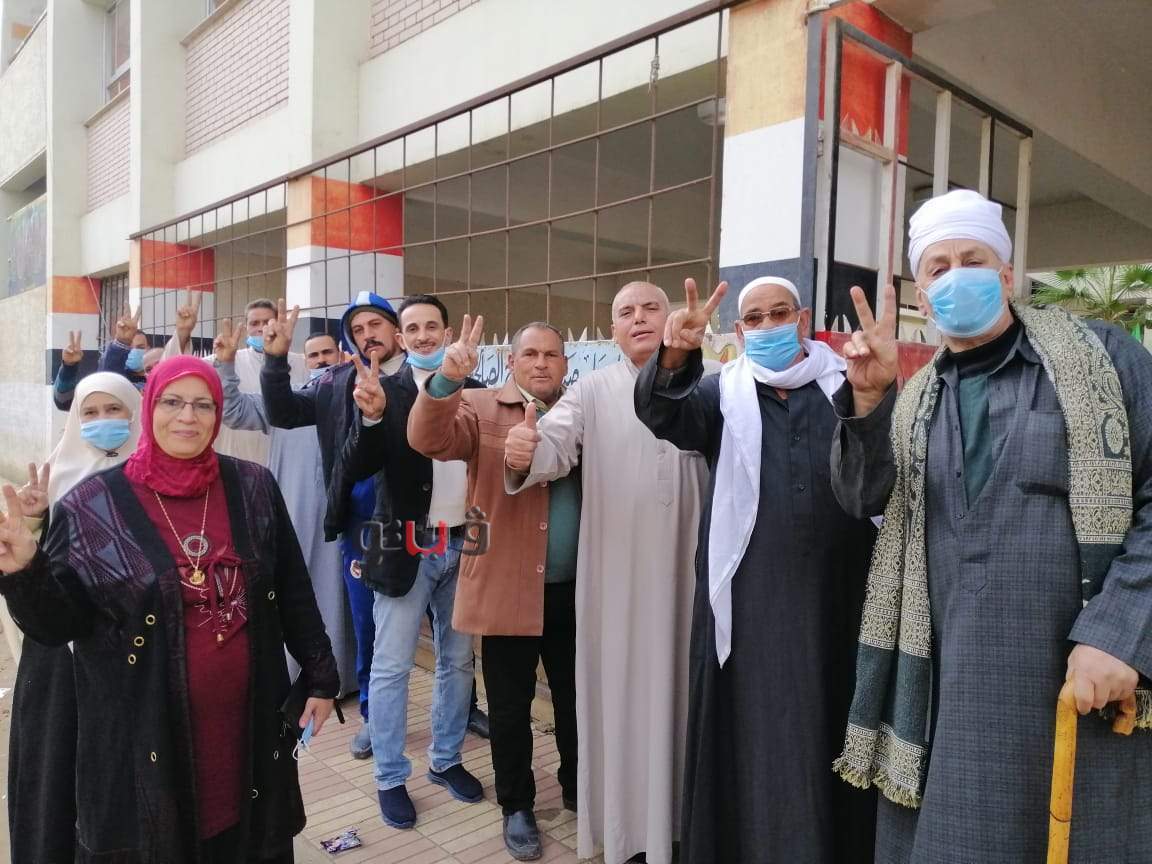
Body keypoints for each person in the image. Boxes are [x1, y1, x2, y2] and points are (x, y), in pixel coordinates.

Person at [831, 189, 1152, 862]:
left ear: (1006, 274)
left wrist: (1119, 634)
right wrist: (868, 399)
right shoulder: (915, 400)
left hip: (1077, 682)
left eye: (971, 260)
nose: (956, 277)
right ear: (923, 295)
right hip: (946, 699)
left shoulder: (1102, 359)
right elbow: (862, 497)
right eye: (938, 267)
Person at [0, 356, 339, 861]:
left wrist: (321, 677)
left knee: (244, 837)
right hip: (146, 732)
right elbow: (59, 625)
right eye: (172, 402)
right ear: (150, 408)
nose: (187, 417)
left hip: (244, 725)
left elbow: (291, 589)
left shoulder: (253, 486)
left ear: (218, 413)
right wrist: (25, 571)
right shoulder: (90, 505)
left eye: (203, 405)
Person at [633, 277, 877, 863]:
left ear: (803, 319)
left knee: (835, 724)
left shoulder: (846, 386)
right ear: (740, 332)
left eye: (779, 314)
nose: (768, 326)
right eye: (756, 319)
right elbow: (661, 413)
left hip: (839, 601)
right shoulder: (721, 393)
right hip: (749, 604)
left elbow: (879, 470)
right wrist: (675, 353)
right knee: (754, 738)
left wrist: (875, 398)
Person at [504, 281, 712, 864]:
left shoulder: (714, 381)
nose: (639, 318)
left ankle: (687, 825)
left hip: (691, 573)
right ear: (612, 329)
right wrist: (526, 451)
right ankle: (630, 833)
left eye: (650, 308)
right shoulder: (592, 389)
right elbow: (554, 446)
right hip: (616, 576)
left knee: (688, 695)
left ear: (671, 317)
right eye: (626, 312)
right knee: (622, 700)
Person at [409, 318, 579, 860]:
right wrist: (445, 381)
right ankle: (517, 805)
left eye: (551, 354)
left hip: (577, 590)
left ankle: (578, 788)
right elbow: (429, 438)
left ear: (566, 364)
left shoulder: (581, 411)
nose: (541, 363)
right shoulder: (480, 406)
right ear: (511, 361)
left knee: (576, 701)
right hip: (509, 587)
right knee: (509, 708)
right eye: (530, 353)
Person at [337, 294, 485, 829]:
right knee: (392, 664)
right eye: (413, 328)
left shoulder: (475, 391)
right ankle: (390, 776)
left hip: (465, 542)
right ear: (401, 337)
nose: (423, 335)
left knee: (458, 660)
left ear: (446, 333)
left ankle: (446, 759)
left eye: (432, 326)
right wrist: (372, 419)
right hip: (403, 544)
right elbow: (356, 464)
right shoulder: (384, 391)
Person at [261, 290, 407, 759]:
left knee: (448, 634)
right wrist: (275, 361)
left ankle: (461, 711)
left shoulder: (422, 376)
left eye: (375, 324)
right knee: (368, 627)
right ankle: (373, 716)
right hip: (363, 530)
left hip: (424, 527)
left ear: (395, 329)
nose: (368, 335)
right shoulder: (333, 384)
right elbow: (283, 411)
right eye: (358, 329)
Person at [8, 372, 142, 863]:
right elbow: (39, 580)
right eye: (90, 413)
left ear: (135, 413)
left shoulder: (154, 475)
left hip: (129, 659)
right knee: (58, 770)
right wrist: (36, 519)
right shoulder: (57, 478)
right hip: (62, 666)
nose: (102, 421)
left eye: (114, 410)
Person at [213, 322, 358, 700]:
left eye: (327, 353)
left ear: (342, 355)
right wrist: (225, 365)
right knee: (298, 594)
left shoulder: (356, 397)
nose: (321, 361)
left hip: (346, 517)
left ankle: (347, 678)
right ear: (303, 362)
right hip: (295, 513)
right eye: (314, 355)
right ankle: (301, 676)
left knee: (344, 597)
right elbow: (234, 410)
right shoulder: (287, 402)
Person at [166, 293, 307, 464]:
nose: (261, 328)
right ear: (246, 327)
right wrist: (182, 333)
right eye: (254, 323)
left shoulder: (302, 363)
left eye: (267, 322)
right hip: (238, 460)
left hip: (288, 461)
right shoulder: (225, 360)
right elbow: (172, 373)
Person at [52, 306, 160, 411]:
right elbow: (64, 402)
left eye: (140, 347)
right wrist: (68, 368)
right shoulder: (100, 379)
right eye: (128, 347)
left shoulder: (156, 386)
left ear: (148, 349)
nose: (132, 351)